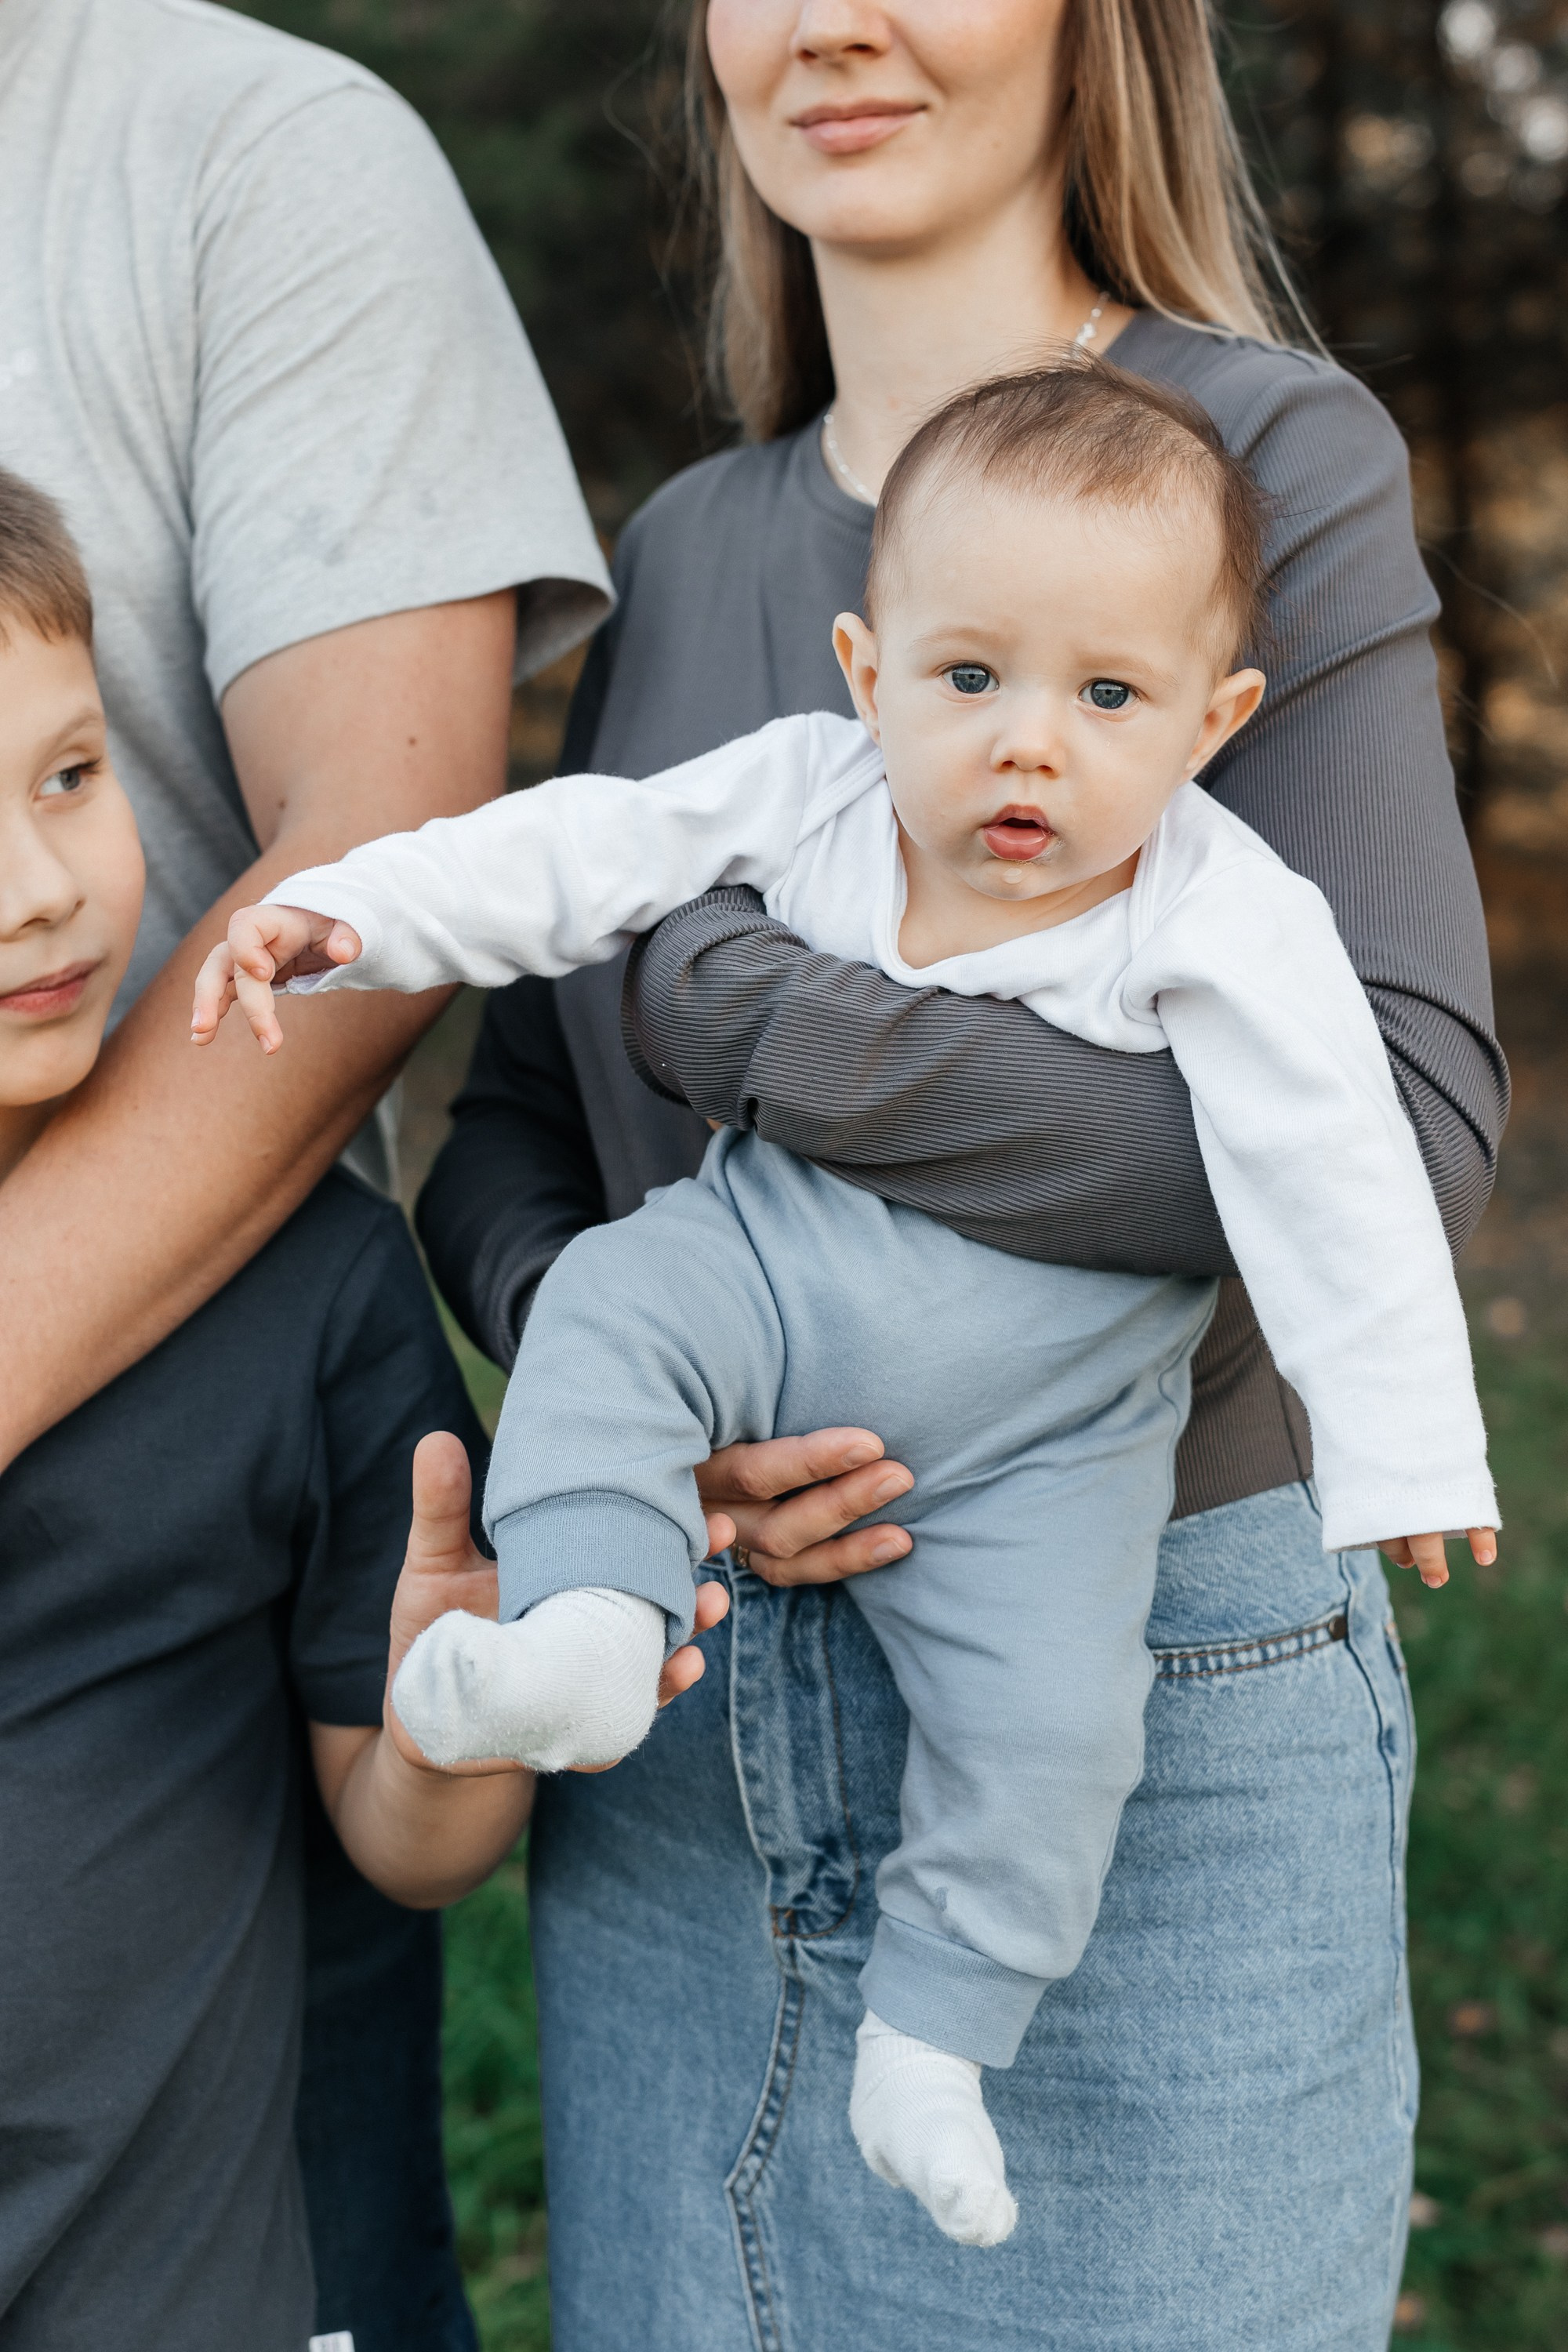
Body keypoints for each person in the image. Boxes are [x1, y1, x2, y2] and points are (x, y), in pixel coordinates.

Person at [416, 3, 1507, 2346]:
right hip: (677, 1737)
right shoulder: (695, 546)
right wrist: (675, 1418)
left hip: (1133, 1719)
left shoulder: (1269, 458)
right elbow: (506, 1139)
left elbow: (1386, 1148)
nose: (832, 22)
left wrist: (747, 1018)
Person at [201, 358, 1498, 2256]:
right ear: (863, 664)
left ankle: (934, 2042)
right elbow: (576, 853)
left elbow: (1340, 1174)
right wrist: (360, 914)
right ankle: (579, 1624)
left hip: (1058, 1431)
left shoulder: (1223, 912)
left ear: (1216, 721)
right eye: (967, 678)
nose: (1025, 748)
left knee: (1060, 1732)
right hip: (767, 1278)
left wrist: (1399, 1453)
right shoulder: (809, 792)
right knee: (616, 1315)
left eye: (1107, 696)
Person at [0, 0, 609, 2339]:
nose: (57, 881)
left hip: (197, 2160)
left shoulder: (247, 148)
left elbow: (383, 843)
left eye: (76, 779)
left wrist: (470, 1718)